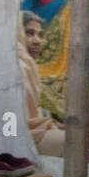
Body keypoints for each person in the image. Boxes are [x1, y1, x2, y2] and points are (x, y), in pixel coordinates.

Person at [19, 11, 64, 156]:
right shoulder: (12, 68)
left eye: (40, 35)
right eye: (29, 33)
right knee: (72, 143)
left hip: (24, 131)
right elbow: (8, 114)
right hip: (8, 136)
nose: (37, 41)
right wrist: (11, 144)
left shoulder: (27, 65)